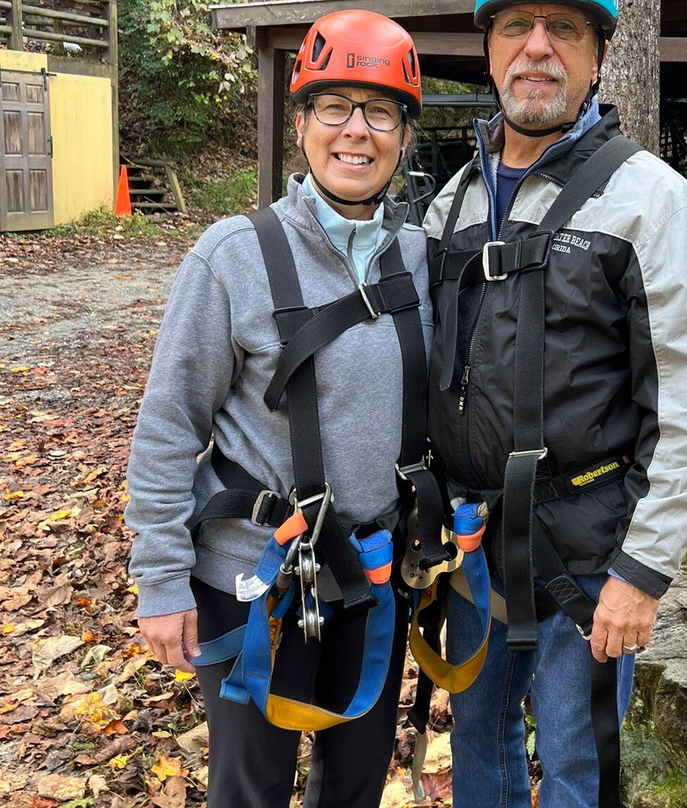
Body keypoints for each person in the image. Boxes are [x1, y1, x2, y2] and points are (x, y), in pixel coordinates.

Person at [423, 2, 687, 806]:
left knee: (576, 766)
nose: (537, 49)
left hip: (590, 555)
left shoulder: (654, 205)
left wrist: (644, 569)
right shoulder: (451, 202)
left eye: (563, 29)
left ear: (598, 56)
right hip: (474, 546)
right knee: (477, 747)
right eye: (515, 28)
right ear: (488, 52)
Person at [125, 10, 433, 808]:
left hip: (369, 574)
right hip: (253, 576)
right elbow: (168, 426)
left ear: (403, 134)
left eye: (380, 111)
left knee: (355, 785)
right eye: (335, 107)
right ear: (301, 125)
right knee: (250, 788)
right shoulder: (233, 256)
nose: (356, 132)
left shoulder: (423, 263)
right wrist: (159, 580)